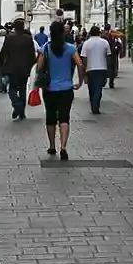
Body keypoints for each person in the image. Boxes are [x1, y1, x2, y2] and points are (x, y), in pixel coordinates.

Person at [37, 20, 83, 160]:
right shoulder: (70, 48)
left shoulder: (45, 48)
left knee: (50, 118)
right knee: (64, 118)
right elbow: (80, 65)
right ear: (63, 33)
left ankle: (52, 146)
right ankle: (63, 147)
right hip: (66, 88)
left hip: (50, 89)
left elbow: (39, 67)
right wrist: (80, 81)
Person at [0, 18, 37, 120]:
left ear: (14, 27)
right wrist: (32, 68)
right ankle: (22, 112)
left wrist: (0, 65)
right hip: (24, 68)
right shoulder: (28, 38)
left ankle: (17, 105)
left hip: (12, 68)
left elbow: (4, 52)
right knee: (23, 90)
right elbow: (32, 55)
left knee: (12, 89)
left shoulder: (9, 38)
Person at [79, 26, 112, 114]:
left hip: (90, 68)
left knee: (91, 88)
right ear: (99, 33)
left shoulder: (86, 43)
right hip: (102, 68)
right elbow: (108, 56)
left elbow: (84, 58)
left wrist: (84, 69)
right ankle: (95, 105)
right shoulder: (105, 42)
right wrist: (108, 67)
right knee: (99, 88)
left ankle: (93, 104)